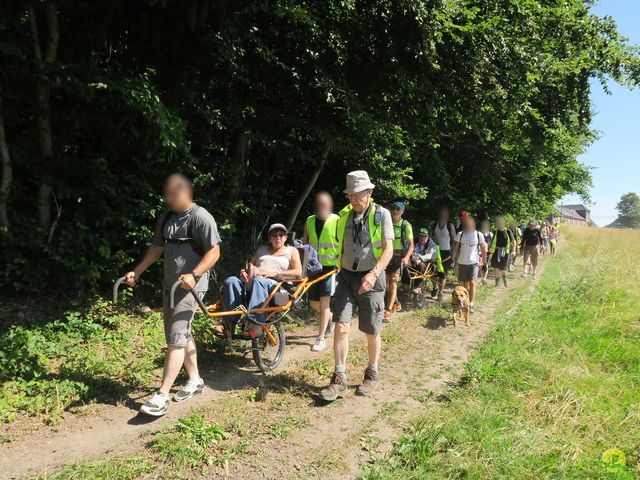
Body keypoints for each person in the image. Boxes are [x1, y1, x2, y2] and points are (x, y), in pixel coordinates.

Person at [124, 174, 222, 417]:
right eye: (165, 194)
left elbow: (214, 252)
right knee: (179, 334)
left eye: (172, 194)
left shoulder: (201, 217)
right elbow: (157, 248)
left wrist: (195, 274)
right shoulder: (166, 218)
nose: (167, 198)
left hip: (190, 288)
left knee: (175, 338)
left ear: (186, 192)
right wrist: (136, 271)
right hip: (170, 286)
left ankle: (161, 395)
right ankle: (196, 380)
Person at [319, 170, 394, 401]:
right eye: (349, 194)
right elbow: (337, 245)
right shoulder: (343, 216)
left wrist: (373, 274)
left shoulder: (382, 215)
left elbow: (389, 250)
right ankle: (339, 377)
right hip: (346, 277)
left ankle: (372, 372)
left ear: (369, 192)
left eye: (356, 193)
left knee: (372, 329)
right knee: (341, 325)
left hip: (372, 277)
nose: (352, 198)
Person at [222, 223, 302, 328]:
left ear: (286, 237)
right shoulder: (262, 249)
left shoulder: (291, 251)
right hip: (253, 283)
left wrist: (275, 274)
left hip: (278, 289)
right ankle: (229, 324)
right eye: (274, 235)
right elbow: (249, 266)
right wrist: (243, 272)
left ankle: (255, 325)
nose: (278, 237)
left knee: (259, 281)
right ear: (269, 237)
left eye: (281, 234)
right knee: (231, 281)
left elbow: (298, 272)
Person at [303, 191, 339, 352]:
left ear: (330, 205)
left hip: (330, 267)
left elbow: (343, 244)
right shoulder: (309, 220)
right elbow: (304, 244)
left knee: (324, 303)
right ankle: (331, 318)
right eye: (319, 203)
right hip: (313, 268)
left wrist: (340, 264)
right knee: (313, 303)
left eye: (324, 203)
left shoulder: (337, 220)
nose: (321, 206)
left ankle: (320, 338)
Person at [450, 216, 487, 314]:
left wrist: (484, 261)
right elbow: (455, 247)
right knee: (465, 284)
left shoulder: (478, 235)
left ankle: (471, 303)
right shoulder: (460, 234)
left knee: (472, 282)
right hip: (462, 263)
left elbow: (483, 248)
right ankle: (463, 302)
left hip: (474, 263)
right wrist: (452, 259)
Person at [384, 201, 414, 320]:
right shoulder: (387, 223)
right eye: (394, 208)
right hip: (387, 256)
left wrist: (406, 257)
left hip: (398, 257)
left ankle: (389, 309)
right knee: (386, 285)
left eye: (398, 209)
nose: (395, 211)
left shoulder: (405, 225)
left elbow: (411, 244)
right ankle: (396, 302)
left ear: (402, 211)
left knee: (394, 282)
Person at [430, 207, 457, 301]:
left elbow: (454, 239)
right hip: (435, 252)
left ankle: (440, 293)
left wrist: (451, 250)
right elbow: (430, 237)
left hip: (446, 252)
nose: (443, 215)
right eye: (441, 213)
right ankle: (435, 287)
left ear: (447, 216)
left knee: (443, 274)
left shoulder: (450, 226)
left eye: (445, 214)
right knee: (432, 272)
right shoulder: (434, 225)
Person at [403, 228, 441, 293]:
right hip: (413, 260)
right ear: (418, 236)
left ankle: (418, 286)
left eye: (424, 237)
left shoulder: (432, 244)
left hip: (427, 263)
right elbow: (406, 249)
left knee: (420, 265)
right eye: (420, 236)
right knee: (405, 265)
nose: (422, 238)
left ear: (428, 237)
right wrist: (411, 257)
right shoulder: (414, 241)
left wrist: (420, 259)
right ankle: (405, 284)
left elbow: (430, 256)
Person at [490, 216, 511, 287]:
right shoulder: (495, 232)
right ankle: (497, 284)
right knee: (496, 268)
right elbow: (492, 242)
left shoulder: (508, 231)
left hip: (505, 253)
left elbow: (513, 241)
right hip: (496, 252)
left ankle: (505, 280)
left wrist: (514, 251)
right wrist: (490, 252)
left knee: (503, 269)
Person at [479, 219, 493, 285]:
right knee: (481, 264)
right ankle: (482, 278)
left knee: (486, 264)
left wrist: (491, 250)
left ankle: (484, 278)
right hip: (480, 251)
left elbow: (492, 243)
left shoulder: (490, 234)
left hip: (488, 252)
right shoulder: (479, 234)